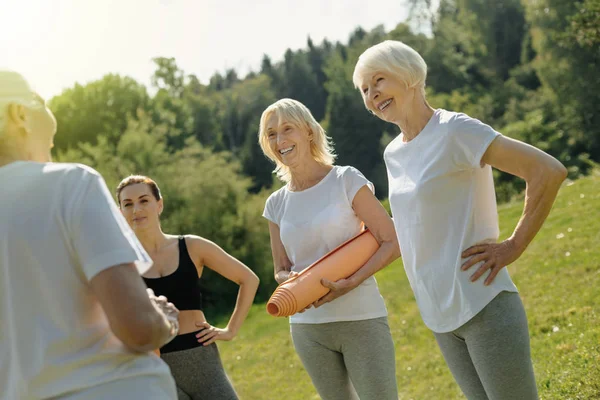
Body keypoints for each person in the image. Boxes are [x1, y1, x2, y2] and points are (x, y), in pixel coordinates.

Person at [352, 40, 568, 399]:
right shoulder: (393, 153)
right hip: (439, 314)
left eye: (379, 80)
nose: (372, 94)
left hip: (482, 302)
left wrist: (514, 246)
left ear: (408, 76)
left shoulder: (455, 130)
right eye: (364, 89)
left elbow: (547, 171)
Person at [0, 70, 180, 400]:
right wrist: (163, 318)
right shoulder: (71, 183)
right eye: (41, 102)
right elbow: (138, 328)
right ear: (19, 115)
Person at [259, 98, 400, 400]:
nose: (280, 140)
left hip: (360, 317)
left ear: (309, 132)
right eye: (271, 134)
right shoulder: (275, 204)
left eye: (287, 129)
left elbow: (392, 240)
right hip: (307, 327)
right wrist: (290, 282)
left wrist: (351, 282)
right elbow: (281, 267)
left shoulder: (345, 180)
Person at [116, 175, 259, 400]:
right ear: (120, 212)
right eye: (128, 204)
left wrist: (230, 330)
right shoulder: (121, 263)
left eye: (144, 200)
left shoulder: (192, 246)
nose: (136, 209)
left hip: (201, 358)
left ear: (159, 204)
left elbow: (248, 279)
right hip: (154, 365)